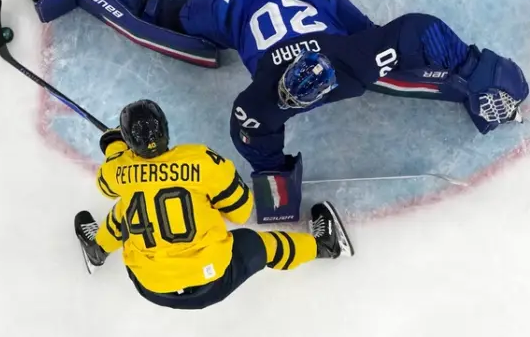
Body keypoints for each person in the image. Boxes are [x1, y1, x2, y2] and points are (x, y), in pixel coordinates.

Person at [21, 0, 529, 222]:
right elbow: (247, 129)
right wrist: (276, 178)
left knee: (380, 67)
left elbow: (421, 33)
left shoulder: (351, 60)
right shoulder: (263, 100)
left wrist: (480, 75)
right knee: (168, 23)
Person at [74, 99, 354, 310]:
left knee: (128, 206)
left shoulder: (117, 170)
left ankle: (97, 251)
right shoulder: (200, 159)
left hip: (150, 287)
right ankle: (325, 246)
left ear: (128, 142)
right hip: (212, 281)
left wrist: (114, 146)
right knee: (256, 243)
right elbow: (242, 212)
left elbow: (107, 181)